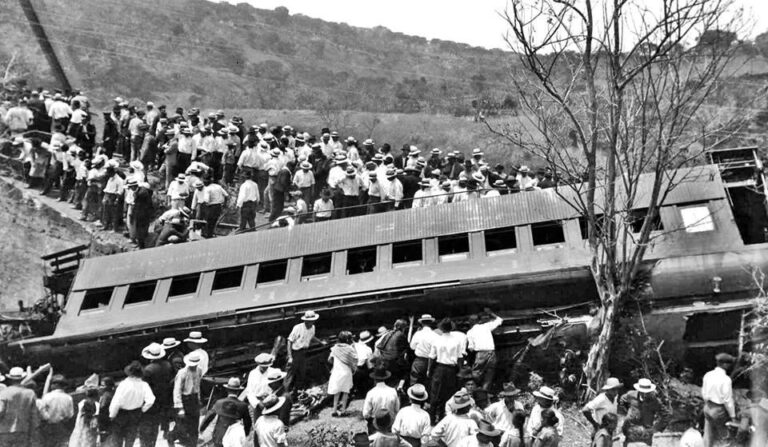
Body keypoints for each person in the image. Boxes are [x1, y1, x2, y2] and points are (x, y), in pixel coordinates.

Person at [109, 361, 156, 447]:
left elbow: (116, 402)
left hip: (121, 414)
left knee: (117, 439)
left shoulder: (123, 385)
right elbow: (151, 400)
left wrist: (112, 415)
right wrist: (142, 409)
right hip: (135, 414)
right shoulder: (144, 385)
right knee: (130, 439)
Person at [428, 318, 465, 422]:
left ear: (441, 328)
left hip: (439, 368)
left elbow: (431, 357)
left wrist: (429, 370)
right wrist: (460, 369)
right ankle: (442, 417)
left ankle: (431, 418)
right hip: (451, 369)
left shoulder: (437, 340)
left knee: (435, 393)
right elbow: (460, 357)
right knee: (448, 394)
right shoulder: (456, 341)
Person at [199, 378, 251, 447]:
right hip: (233, 438)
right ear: (238, 391)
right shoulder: (243, 406)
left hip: (219, 436)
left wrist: (202, 428)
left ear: (227, 390)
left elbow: (209, 416)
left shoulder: (219, 402)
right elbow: (248, 423)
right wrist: (245, 434)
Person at [140, 342, 174, 447]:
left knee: (150, 426)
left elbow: (144, 387)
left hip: (153, 400)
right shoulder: (168, 365)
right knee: (164, 419)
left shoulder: (148, 370)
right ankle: (166, 434)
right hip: (165, 397)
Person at [285, 310, 325, 393]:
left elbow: (312, 336)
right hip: (295, 352)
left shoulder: (313, 327)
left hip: (303, 352)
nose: (311, 322)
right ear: (305, 320)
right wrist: (290, 357)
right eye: (309, 321)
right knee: (290, 374)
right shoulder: (298, 328)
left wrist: (321, 342)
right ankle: (285, 394)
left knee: (301, 372)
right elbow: (289, 341)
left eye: (312, 321)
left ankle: (297, 392)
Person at [0, 366, 41, 447]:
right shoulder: (30, 393)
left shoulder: (3, 393)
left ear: (10, 379)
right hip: (23, 429)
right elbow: (34, 415)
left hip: (4, 430)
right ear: (23, 378)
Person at [701, 352, 736, 447]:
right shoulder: (725, 379)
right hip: (718, 409)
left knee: (708, 436)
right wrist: (733, 416)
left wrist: (708, 404)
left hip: (707, 407)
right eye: (729, 364)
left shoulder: (708, 375)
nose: (729, 366)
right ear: (724, 364)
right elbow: (728, 400)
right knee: (725, 437)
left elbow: (704, 393)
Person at [465, 309, 503, 390]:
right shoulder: (486, 326)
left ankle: (475, 390)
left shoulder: (470, 332)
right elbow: (500, 320)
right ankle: (485, 391)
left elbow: (471, 348)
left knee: (476, 373)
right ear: (479, 321)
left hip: (480, 354)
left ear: (470, 322)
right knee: (489, 374)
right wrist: (491, 313)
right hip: (491, 353)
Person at [619, 378, 662, 447]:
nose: (645, 394)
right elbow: (622, 400)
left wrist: (657, 427)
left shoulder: (655, 401)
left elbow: (665, 414)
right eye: (642, 391)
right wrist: (628, 411)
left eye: (647, 392)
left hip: (646, 431)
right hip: (631, 429)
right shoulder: (631, 395)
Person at [173, 352, 203, 447]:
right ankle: (176, 439)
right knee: (184, 425)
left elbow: (198, 386)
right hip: (185, 399)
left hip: (194, 399)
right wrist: (180, 407)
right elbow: (177, 390)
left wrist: (198, 399)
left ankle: (193, 444)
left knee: (195, 424)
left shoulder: (199, 370)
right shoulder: (182, 372)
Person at [38, 373, 75, 447]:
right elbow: (70, 414)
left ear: (55, 385)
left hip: (49, 426)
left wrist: (47, 418)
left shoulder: (47, 397)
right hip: (63, 426)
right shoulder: (68, 398)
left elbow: (42, 412)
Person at [328, 331, 358, 416]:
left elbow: (329, 359)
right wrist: (351, 364)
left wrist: (335, 363)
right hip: (346, 372)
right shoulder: (350, 348)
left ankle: (334, 410)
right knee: (345, 392)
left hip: (336, 371)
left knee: (336, 392)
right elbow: (356, 359)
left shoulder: (335, 348)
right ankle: (343, 411)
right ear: (348, 339)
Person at [363, 368, 400, 434]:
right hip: (390, 423)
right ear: (385, 378)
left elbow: (365, 414)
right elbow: (397, 410)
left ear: (374, 379)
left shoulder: (371, 393)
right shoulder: (393, 391)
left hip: (375, 424)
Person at [376, 319, 409, 390]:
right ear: (403, 327)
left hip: (383, 361)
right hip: (392, 362)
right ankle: (400, 388)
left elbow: (379, 346)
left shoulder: (388, 333)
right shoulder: (401, 335)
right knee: (406, 371)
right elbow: (407, 348)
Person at [244, 353, 278, 420]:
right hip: (257, 402)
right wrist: (257, 403)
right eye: (263, 366)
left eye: (267, 366)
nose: (265, 368)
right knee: (258, 423)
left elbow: (278, 387)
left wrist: (272, 398)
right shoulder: (253, 374)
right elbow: (249, 391)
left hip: (271, 401)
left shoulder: (273, 371)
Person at [409, 314, 437, 387]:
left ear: (421, 323)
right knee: (428, 383)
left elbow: (412, 347)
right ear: (431, 323)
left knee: (414, 382)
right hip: (431, 362)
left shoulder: (418, 334)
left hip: (419, 361)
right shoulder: (435, 335)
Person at [353, 330, 375, 397]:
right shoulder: (368, 349)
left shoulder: (355, 345)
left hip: (352, 369)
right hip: (361, 371)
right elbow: (370, 366)